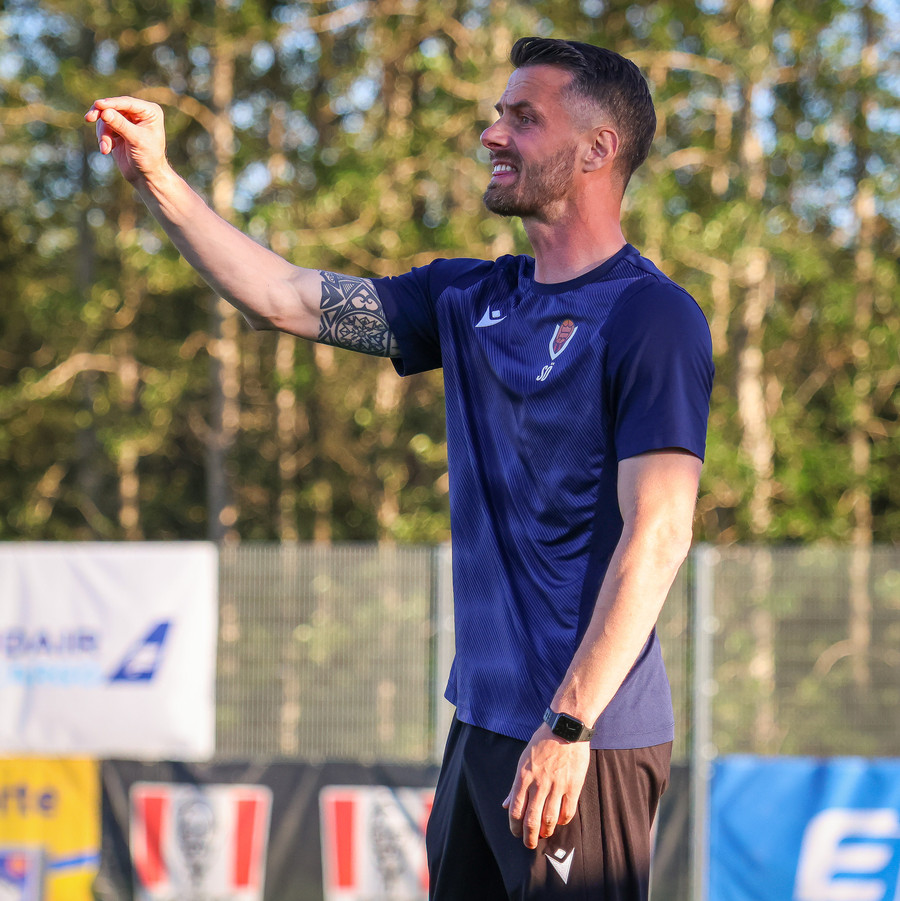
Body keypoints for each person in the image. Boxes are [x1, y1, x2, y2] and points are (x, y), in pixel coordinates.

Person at [87, 36, 713, 900]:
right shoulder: (470, 297)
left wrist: (569, 725)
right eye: (497, 114)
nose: (493, 133)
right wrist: (156, 175)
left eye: (523, 118)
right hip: (481, 728)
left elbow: (661, 532)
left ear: (598, 148)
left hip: (583, 737)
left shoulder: (652, 317)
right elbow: (281, 297)